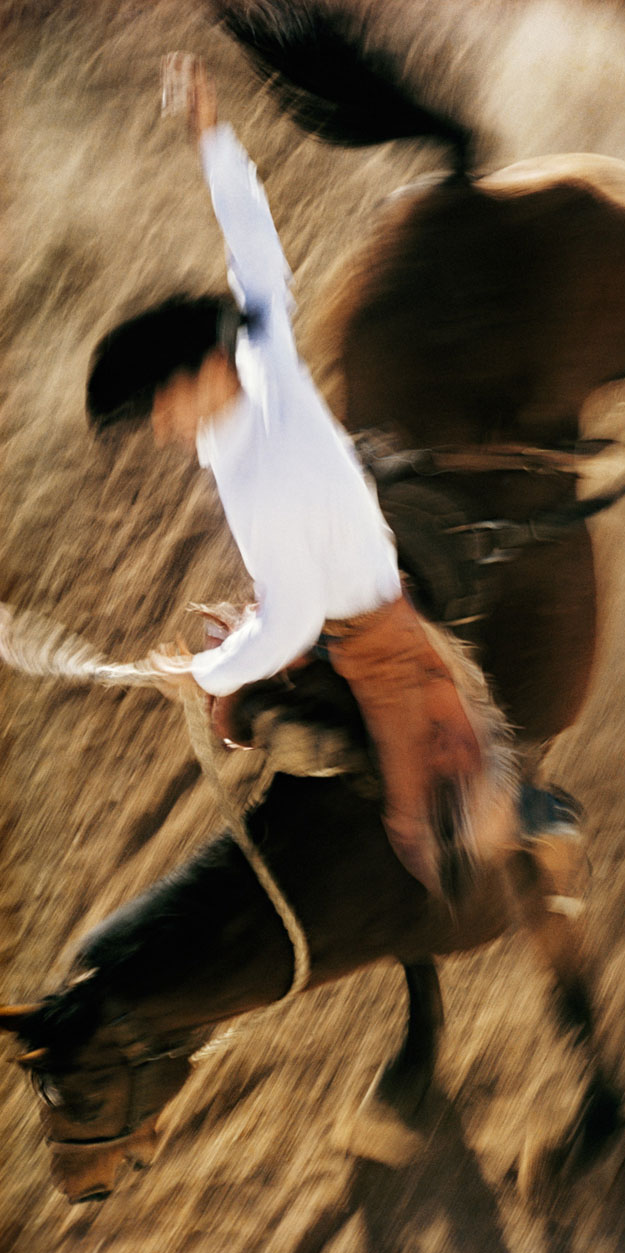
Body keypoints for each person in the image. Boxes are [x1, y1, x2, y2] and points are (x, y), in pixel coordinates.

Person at [86, 54, 515, 899]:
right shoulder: (258, 348)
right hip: (345, 580)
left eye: (159, 411)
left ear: (192, 379)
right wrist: (211, 137)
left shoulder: (263, 479)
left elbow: (286, 628)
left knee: (421, 836)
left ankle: (521, 826)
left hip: (375, 648)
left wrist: (203, 676)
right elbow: (254, 248)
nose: (165, 432)